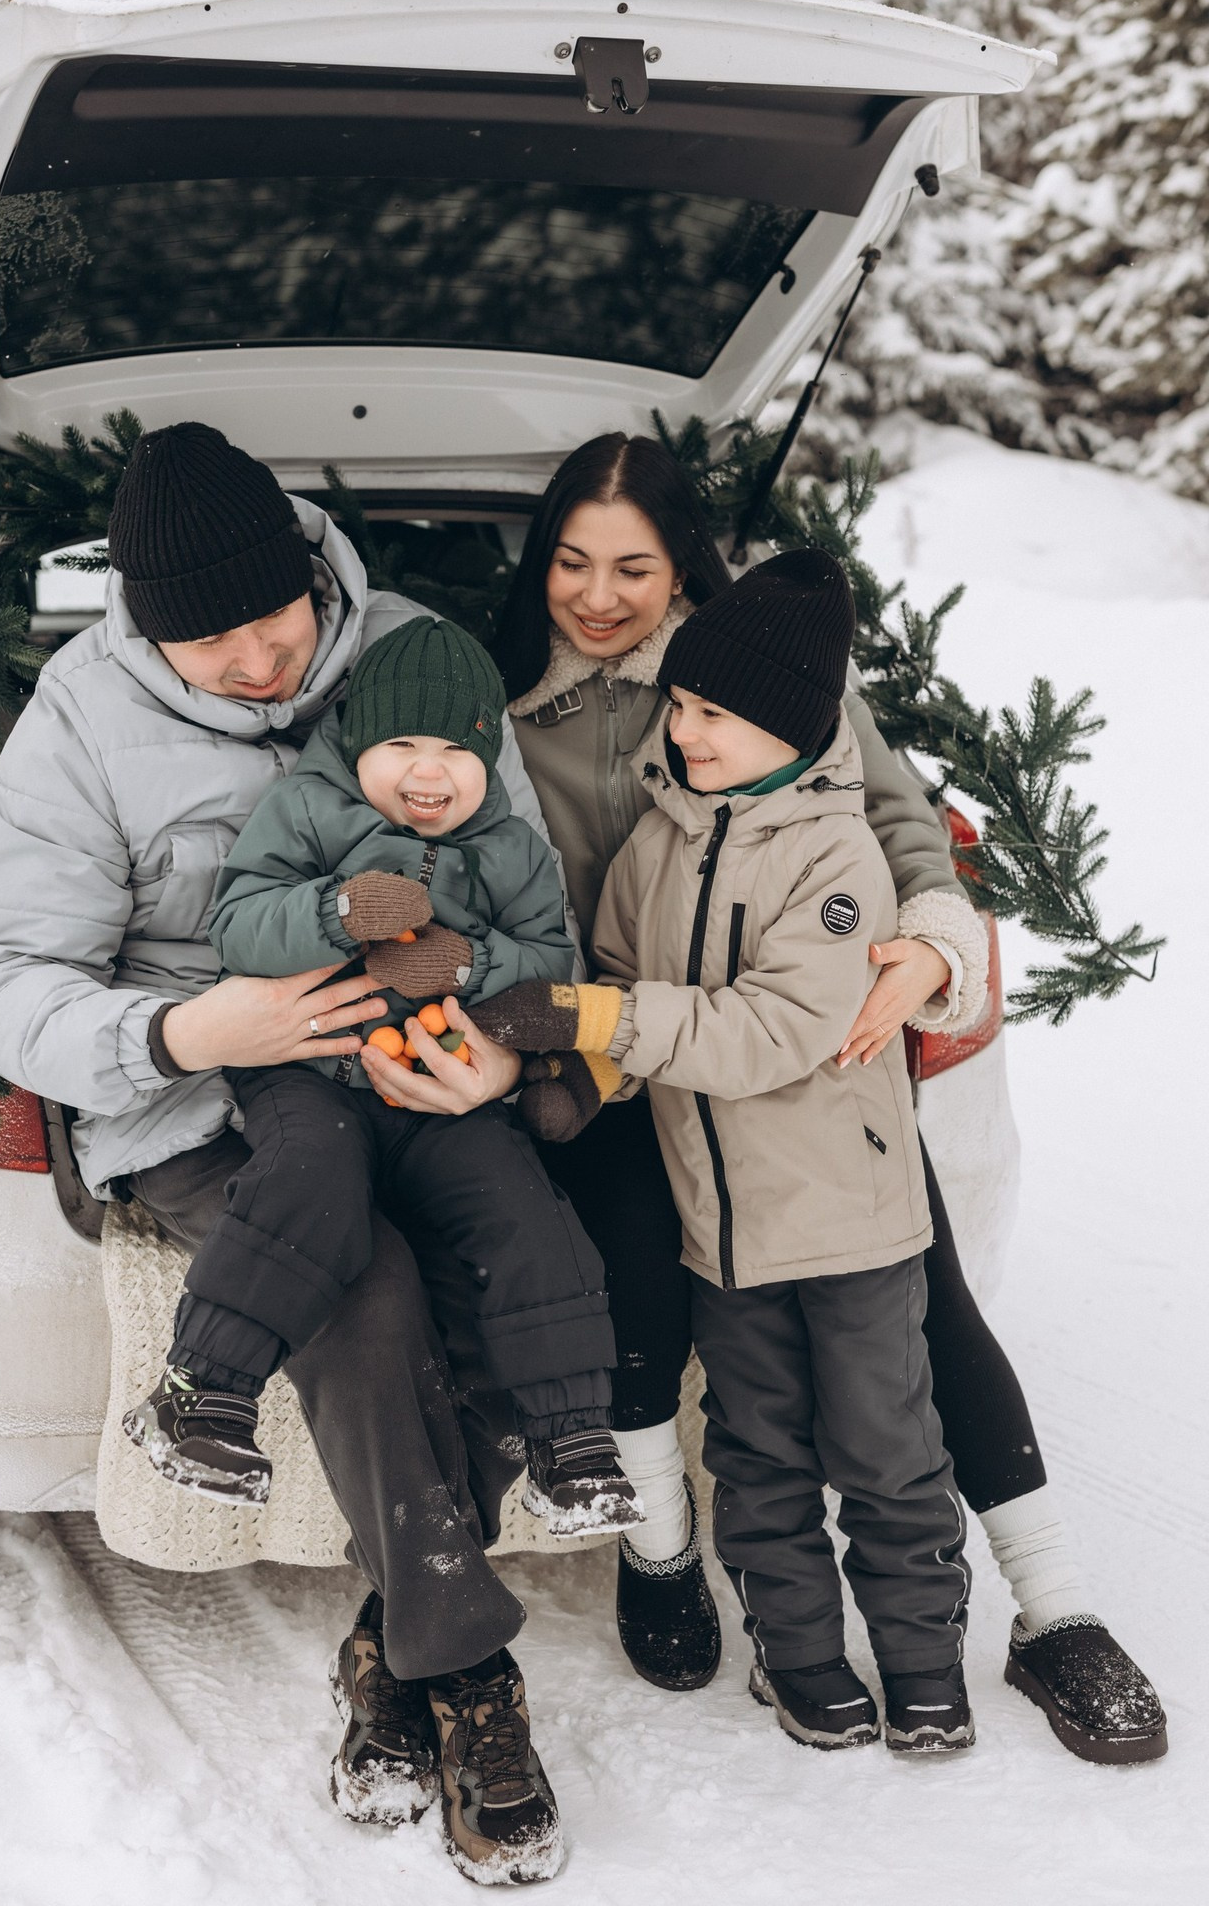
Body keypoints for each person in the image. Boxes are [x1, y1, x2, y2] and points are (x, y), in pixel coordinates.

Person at [432, 429, 1165, 1762]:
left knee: (925, 1301)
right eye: (573, 565)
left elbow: (896, 824)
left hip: (784, 1070)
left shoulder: (752, 672)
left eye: (636, 568)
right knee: (638, 1284)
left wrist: (936, 946)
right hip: (608, 1058)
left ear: (685, 571)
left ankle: (1052, 1609)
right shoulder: (487, 704)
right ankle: (661, 1554)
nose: (600, 598)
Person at [0, 423, 583, 1883]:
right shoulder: (80, 716)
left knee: (496, 1254)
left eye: (271, 621)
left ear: (314, 569)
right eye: (205, 644)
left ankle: (385, 1650)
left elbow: (525, 890)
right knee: (356, 1287)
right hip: (203, 1094)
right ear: (143, 628)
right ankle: (469, 1676)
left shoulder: (420, 657)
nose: (250, 662)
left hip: (411, 1072)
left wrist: (500, 1046)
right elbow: (0, 984)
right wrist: (187, 1035)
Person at [474, 550, 979, 1751]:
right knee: (756, 1456)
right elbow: (616, 985)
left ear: (791, 727)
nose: (685, 731)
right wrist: (580, 1074)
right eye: (682, 707)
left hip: (845, 1226)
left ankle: (921, 1666)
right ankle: (802, 1662)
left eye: (715, 715)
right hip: (722, 1235)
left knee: (885, 1452)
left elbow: (773, 1031)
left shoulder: (835, 858)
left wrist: (605, 1023)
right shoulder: (654, 847)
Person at [125, 612, 640, 1545]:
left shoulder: (513, 849)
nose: (428, 771)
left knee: (525, 1206)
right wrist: (338, 910)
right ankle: (203, 1394)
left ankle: (570, 1440)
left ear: (492, 756)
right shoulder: (310, 811)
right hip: (312, 1070)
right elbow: (240, 923)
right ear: (359, 742)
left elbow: (547, 960)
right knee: (307, 1174)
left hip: (442, 1085)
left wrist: (469, 966)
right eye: (401, 742)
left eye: (456, 748)